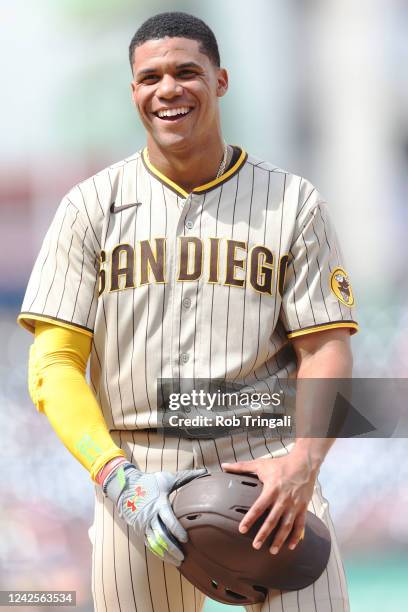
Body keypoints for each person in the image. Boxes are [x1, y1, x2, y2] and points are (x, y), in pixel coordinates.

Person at [18, 11, 358, 612]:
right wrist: (115, 478)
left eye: (186, 72)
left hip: (267, 463)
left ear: (220, 81)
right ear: (133, 92)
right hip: (140, 468)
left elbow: (325, 348)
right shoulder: (90, 208)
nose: (167, 89)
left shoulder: (293, 203)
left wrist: (304, 462)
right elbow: (54, 366)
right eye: (150, 77)